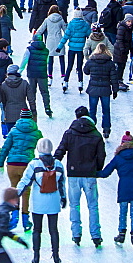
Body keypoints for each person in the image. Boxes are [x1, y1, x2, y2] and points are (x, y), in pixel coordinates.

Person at [54, 105, 105, 248]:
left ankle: (76, 234)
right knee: (93, 206)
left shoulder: (70, 133)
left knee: (74, 205)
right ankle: (96, 235)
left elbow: (61, 150)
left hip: (73, 174)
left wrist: (52, 163)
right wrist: (97, 169)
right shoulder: (96, 135)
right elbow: (101, 155)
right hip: (89, 175)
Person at [16, 138, 67, 263]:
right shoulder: (58, 164)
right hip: (54, 202)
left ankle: (36, 256)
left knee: (37, 230)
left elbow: (25, 181)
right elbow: (62, 184)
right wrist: (63, 198)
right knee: (53, 230)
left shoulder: (34, 165)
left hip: (38, 202)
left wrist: (16, 194)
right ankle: (56, 256)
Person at [0, 108, 43, 231]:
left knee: (14, 190)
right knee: (26, 191)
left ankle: (14, 218)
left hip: (12, 164)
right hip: (27, 166)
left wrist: (0, 162)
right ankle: (25, 220)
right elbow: (42, 149)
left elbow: (6, 147)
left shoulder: (14, 131)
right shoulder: (37, 132)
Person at [83, 44, 120, 137]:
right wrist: (115, 90)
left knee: (92, 110)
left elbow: (86, 71)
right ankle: (106, 129)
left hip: (93, 89)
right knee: (106, 110)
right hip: (105, 90)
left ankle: (91, 128)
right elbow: (114, 78)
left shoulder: (91, 61)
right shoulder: (110, 63)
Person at [19, 32, 53, 118]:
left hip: (32, 73)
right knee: (44, 92)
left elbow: (25, 60)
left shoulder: (29, 49)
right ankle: (47, 108)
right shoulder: (46, 50)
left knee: (32, 92)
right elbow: (47, 61)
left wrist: (20, 71)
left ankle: (33, 110)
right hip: (42, 73)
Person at [57, 8, 90, 93]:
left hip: (71, 49)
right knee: (79, 67)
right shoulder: (85, 25)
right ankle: (80, 83)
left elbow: (66, 36)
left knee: (69, 66)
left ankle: (65, 82)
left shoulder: (71, 24)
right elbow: (89, 37)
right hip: (80, 49)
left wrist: (59, 47)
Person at [0, 65, 35, 139]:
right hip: (23, 115)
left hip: (9, 114)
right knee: (23, 138)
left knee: (11, 139)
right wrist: (33, 112)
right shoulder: (24, 83)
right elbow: (31, 100)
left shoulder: (3, 85)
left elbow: (3, 101)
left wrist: (5, 111)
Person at [39, 5, 67, 84]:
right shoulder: (61, 19)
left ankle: (50, 77)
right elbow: (65, 31)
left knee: (50, 60)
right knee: (61, 59)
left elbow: (40, 30)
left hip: (50, 41)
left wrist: (35, 36)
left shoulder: (47, 19)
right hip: (59, 40)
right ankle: (63, 76)